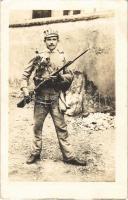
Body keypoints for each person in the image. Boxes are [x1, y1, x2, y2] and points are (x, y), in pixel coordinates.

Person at [21, 28, 86, 166]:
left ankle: (69, 156)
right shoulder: (38, 56)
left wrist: (59, 77)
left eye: (54, 39)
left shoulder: (62, 56)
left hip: (56, 98)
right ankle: (35, 153)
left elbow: (70, 76)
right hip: (40, 98)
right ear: (45, 41)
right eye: (49, 39)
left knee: (61, 128)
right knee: (37, 127)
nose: (51, 42)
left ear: (57, 41)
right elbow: (24, 75)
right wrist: (26, 91)